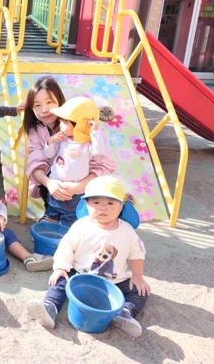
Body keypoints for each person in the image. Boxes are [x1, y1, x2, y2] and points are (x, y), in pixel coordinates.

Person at [27, 176, 149, 337]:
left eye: (110, 203)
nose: (103, 208)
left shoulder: (127, 230)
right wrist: (61, 267)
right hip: (80, 274)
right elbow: (66, 247)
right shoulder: (81, 226)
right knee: (60, 280)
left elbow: (137, 253)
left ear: (121, 206)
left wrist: (138, 276)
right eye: (96, 202)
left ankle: (125, 312)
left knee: (141, 291)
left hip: (113, 280)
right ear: (86, 204)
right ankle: (50, 306)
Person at [23, 76, 113, 220]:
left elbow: (102, 165)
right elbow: (36, 161)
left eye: (49, 102)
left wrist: (78, 188)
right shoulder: (37, 131)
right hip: (54, 187)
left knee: (74, 221)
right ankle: (50, 212)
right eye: (37, 105)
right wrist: (49, 183)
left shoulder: (86, 130)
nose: (44, 110)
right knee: (46, 179)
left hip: (83, 188)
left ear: (60, 101)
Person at [42, 96, 117, 228]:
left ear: (79, 124)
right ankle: (51, 233)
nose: (60, 125)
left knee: (69, 221)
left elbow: (98, 151)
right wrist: (51, 141)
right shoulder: (62, 138)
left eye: (65, 122)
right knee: (52, 215)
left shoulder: (86, 143)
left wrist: (94, 133)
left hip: (74, 194)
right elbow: (48, 154)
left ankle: (65, 236)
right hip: (56, 188)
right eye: (61, 121)